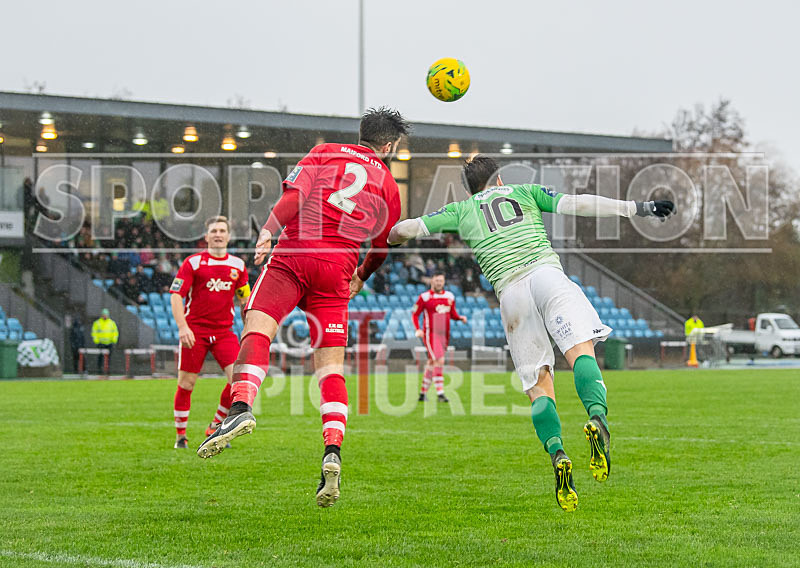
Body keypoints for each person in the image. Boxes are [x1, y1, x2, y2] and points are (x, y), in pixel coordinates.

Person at [388, 155, 676, 511]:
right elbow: (579, 204)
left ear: (469, 189)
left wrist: (386, 235)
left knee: (539, 384)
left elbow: (405, 230)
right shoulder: (524, 192)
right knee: (579, 350)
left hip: (511, 294)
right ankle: (597, 416)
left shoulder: (461, 210)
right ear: (498, 179)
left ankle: (557, 452)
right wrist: (637, 208)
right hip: (545, 274)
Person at [197, 107, 410, 509]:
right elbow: (383, 245)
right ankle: (332, 451)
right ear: (387, 145)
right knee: (330, 368)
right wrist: (362, 275)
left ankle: (241, 406)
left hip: (295, 255)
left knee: (258, 330)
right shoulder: (387, 182)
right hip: (337, 270)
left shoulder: (324, 152)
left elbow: (294, 196)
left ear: (361, 133)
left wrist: (268, 230)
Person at [170, 216, 251, 450]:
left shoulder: (238, 266)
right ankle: (181, 437)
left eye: (222, 230)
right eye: (214, 231)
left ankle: (216, 425)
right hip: (195, 331)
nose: (218, 234)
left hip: (224, 332)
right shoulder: (193, 263)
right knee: (186, 383)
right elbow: (176, 295)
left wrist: (250, 328)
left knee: (238, 380)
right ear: (206, 237)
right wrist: (183, 327)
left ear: (228, 236)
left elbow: (244, 300)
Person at [411, 272, 467, 402]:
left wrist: (460, 318)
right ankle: (440, 393)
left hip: (444, 334)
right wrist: (418, 329)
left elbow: (452, 313)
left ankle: (422, 393)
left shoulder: (449, 296)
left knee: (432, 363)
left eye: (441, 281)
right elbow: (415, 314)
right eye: (437, 280)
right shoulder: (424, 297)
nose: (439, 283)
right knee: (439, 360)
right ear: (432, 281)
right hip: (431, 333)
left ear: (444, 282)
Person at [91, 308, 118, 373]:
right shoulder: (97, 323)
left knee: (108, 358)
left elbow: (115, 332)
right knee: (100, 357)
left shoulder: (112, 323)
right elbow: (94, 332)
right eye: (104, 314)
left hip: (109, 343)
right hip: (101, 343)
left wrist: (114, 340)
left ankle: (107, 370)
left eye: (106, 314)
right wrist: (97, 341)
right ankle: (99, 370)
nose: (105, 316)